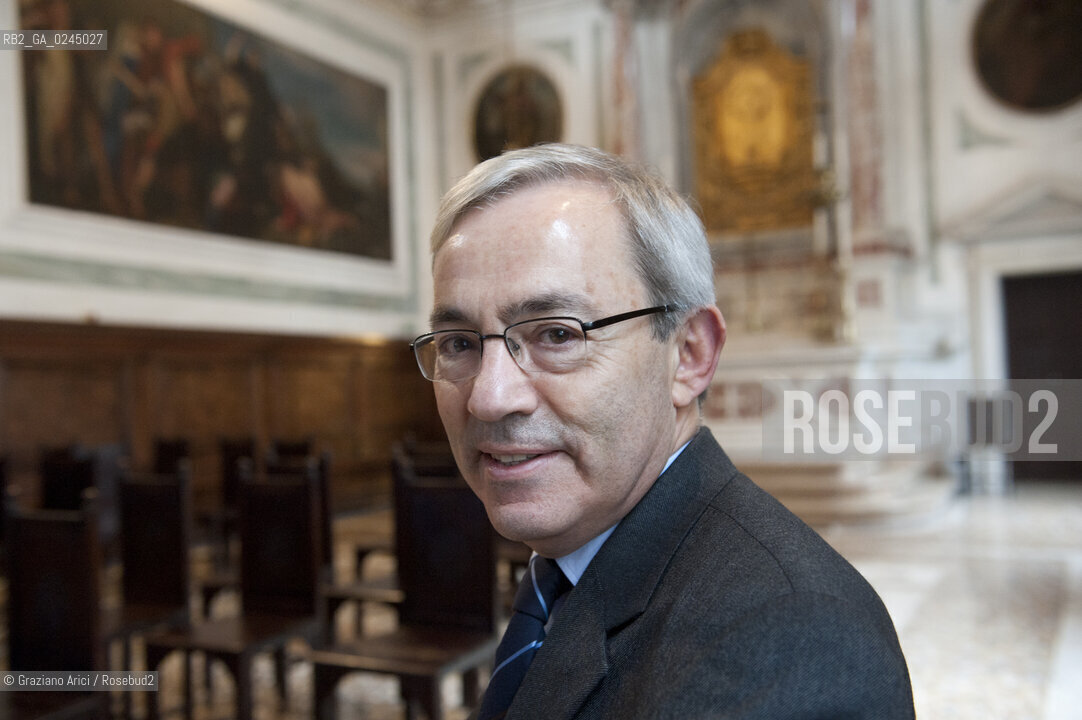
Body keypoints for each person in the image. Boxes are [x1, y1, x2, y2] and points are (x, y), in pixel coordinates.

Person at [410, 143, 914, 719]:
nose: (489, 396)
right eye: (458, 344)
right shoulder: (571, 563)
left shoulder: (793, 642)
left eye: (557, 335)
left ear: (689, 353)